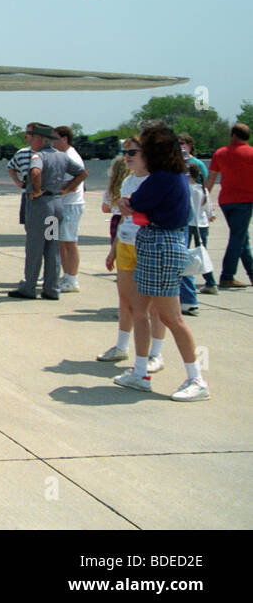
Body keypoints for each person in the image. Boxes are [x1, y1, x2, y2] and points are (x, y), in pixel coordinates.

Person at [113, 125, 210, 401]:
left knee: (171, 317)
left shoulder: (163, 178)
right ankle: (140, 371)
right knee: (139, 308)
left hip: (161, 245)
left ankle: (196, 378)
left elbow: (135, 202)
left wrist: (128, 202)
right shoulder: (176, 175)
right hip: (157, 242)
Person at [97, 138, 166, 368]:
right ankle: (121, 346)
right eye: (125, 152)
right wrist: (113, 248)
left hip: (148, 244)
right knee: (125, 299)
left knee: (155, 304)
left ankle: (155, 354)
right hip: (126, 242)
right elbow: (124, 217)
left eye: (132, 152)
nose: (127, 156)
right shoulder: (127, 182)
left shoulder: (156, 181)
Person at [9, 123, 82, 300]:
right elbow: (82, 173)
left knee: (35, 247)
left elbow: (34, 173)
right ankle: (51, 287)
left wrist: (35, 190)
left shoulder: (38, 156)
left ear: (40, 139)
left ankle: (29, 286)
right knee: (52, 247)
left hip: (41, 205)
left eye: (32, 137)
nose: (30, 140)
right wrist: (67, 188)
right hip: (56, 203)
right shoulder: (61, 157)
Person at [206, 123, 253, 289]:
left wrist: (204, 198)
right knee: (237, 237)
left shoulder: (221, 153)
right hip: (245, 200)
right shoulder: (251, 153)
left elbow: (211, 177)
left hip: (226, 200)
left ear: (233, 135)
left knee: (241, 237)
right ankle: (227, 275)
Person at [52, 126, 90, 293]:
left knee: (69, 242)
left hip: (71, 204)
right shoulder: (62, 155)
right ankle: (66, 276)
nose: (52, 142)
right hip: (63, 204)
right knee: (61, 242)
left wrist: (63, 190)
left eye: (55, 138)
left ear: (65, 139)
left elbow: (80, 176)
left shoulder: (71, 156)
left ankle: (72, 279)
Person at [187, 163, 218, 297]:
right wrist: (210, 215)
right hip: (202, 224)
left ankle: (184, 280)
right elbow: (208, 209)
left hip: (189, 224)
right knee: (202, 252)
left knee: (184, 252)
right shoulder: (202, 189)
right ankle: (210, 282)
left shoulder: (187, 189)